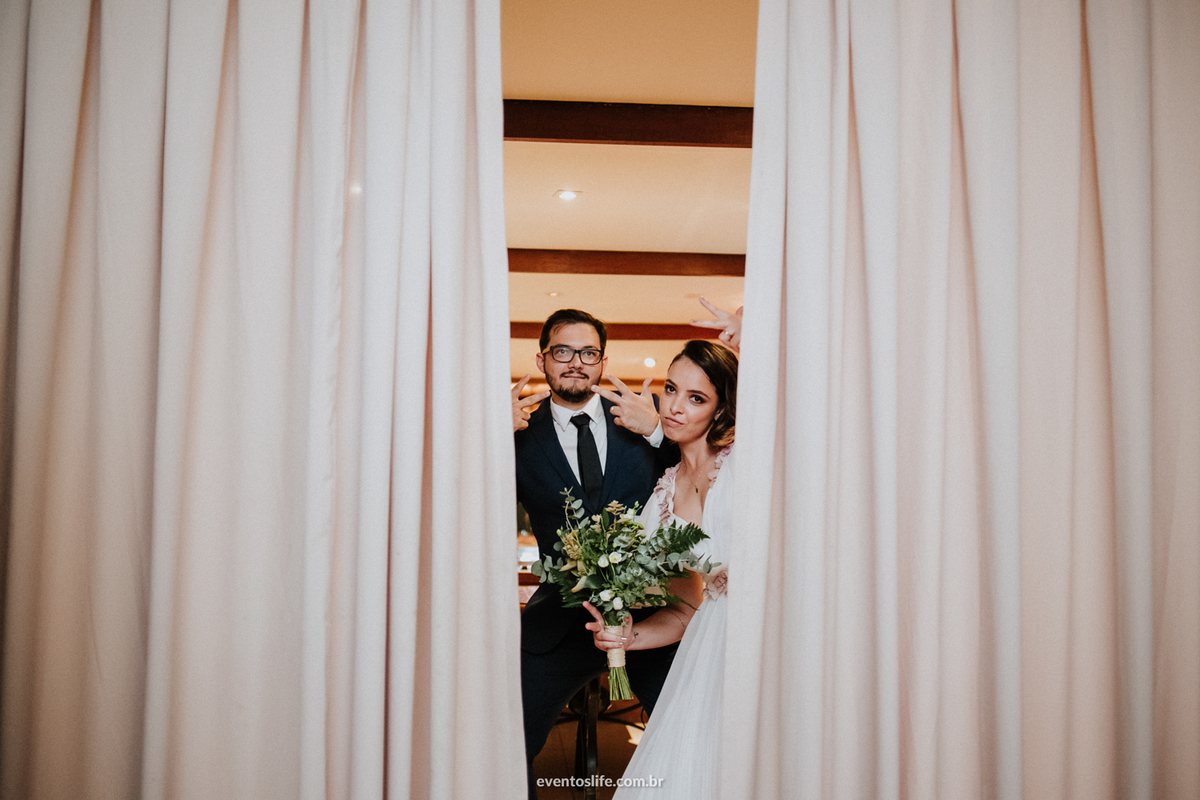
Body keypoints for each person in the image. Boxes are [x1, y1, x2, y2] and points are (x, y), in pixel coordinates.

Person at [513, 308, 680, 799]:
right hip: (556, 623)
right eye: (563, 351)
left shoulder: (642, 417)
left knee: (693, 723)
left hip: (648, 617)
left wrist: (656, 432)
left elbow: (699, 478)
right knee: (506, 737)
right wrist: (487, 439)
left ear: (602, 361)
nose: (576, 363)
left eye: (588, 353)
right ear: (542, 358)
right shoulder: (518, 430)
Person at [582, 300, 742, 799]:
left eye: (696, 398)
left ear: (723, 407)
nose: (673, 406)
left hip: (773, 639)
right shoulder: (661, 502)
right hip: (711, 651)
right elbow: (685, 609)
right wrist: (629, 637)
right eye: (672, 390)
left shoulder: (750, 464)